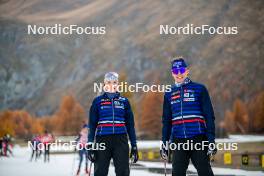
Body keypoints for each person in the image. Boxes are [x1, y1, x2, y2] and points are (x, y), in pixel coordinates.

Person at [160, 57, 216, 176]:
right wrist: (164, 144)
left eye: (181, 70)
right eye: (175, 71)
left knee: (205, 172)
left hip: (198, 138)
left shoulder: (199, 89)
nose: (179, 74)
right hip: (178, 140)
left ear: (187, 71)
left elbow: (209, 116)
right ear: (172, 73)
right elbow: (166, 122)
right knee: (177, 173)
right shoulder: (168, 93)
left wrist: (211, 139)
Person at [88, 72, 138, 176]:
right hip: (102, 139)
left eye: (114, 82)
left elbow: (130, 126)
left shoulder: (124, 102)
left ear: (118, 84)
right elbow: (92, 125)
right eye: (108, 82)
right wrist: (90, 145)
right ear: (104, 85)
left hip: (121, 140)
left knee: (123, 172)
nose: (112, 85)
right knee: (100, 172)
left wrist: (134, 146)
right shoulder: (97, 101)